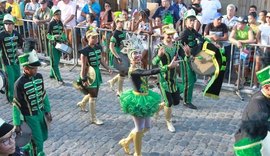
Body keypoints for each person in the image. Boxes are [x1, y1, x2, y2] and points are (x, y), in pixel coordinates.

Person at [118, 40, 179, 155]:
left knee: (147, 127)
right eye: (134, 54)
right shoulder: (134, 70)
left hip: (146, 97)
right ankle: (137, 153)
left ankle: (126, 142)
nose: (137, 56)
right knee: (139, 129)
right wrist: (168, 67)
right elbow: (148, 72)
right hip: (137, 101)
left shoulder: (139, 67)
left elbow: (145, 76)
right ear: (130, 58)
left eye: (138, 53)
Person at [13, 41, 52, 156]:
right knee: (38, 141)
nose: (36, 71)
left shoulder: (39, 77)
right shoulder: (19, 83)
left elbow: (43, 94)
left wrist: (47, 110)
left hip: (41, 113)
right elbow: (16, 104)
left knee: (43, 136)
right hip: (30, 117)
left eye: (36, 68)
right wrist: (16, 123)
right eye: (33, 69)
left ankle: (28, 150)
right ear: (25, 68)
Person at [75, 27, 112, 125]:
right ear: (88, 38)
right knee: (93, 95)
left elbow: (100, 60)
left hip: (97, 71)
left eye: (96, 38)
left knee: (94, 92)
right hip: (89, 73)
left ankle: (82, 103)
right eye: (93, 38)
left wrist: (107, 68)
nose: (95, 40)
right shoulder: (85, 51)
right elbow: (83, 66)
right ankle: (93, 118)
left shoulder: (98, 47)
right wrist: (83, 78)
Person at [152, 24, 185, 132]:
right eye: (168, 34)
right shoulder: (159, 47)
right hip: (163, 79)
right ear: (164, 34)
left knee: (176, 101)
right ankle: (168, 121)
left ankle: (158, 108)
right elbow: (153, 62)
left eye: (172, 34)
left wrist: (188, 55)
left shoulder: (176, 45)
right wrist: (159, 56)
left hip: (173, 79)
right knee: (169, 103)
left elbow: (184, 56)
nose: (170, 36)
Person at [234, 66, 270, 156]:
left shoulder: (265, 97)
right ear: (267, 87)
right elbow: (256, 134)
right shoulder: (258, 105)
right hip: (251, 148)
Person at [178, 9, 204, 109]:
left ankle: (175, 91)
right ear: (185, 21)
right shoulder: (184, 32)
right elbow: (179, 46)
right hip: (186, 60)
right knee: (189, 81)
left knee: (192, 79)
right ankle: (186, 101)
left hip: (192, 59)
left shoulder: (193, 31)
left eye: (194, 20)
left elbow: (201, 38)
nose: (192, 22)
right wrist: (186, 56)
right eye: (190, 20)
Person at [0, 14, 23, 103]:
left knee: (17, 78)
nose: (8, 26)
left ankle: (17, 95)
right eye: (6, 24)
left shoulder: (16, 33)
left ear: (13, 24)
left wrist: (21, 51)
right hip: (6, 62)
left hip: (16, 60)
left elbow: (21, 44)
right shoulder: (1, 35)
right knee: (10, 79)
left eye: (10, 24)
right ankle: (10, 98)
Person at [47, 6, 67, 85]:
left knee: (57, 60)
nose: (59, 15)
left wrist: (64, 38)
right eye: (57, 14)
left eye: (60, 14)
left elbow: (63, 33)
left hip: (60, 44)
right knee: (54, 63)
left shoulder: (61, 23)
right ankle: (59, 79)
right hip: (53, 45)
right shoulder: (51, 23)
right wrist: (53, 37)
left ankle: (52, 74)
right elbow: (47, 35)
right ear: (53, 15)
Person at [107, 14, 126, 96]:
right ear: (117, 23)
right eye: (120, 22)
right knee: (122, 71)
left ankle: (113, 81)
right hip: (117, 53)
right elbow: (111, 47)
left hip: (122, 52)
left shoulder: (123, 31)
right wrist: (117, 56)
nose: (122, 23)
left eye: (123, 22)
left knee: (124, 71)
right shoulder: (115, 33)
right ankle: (119, 91)